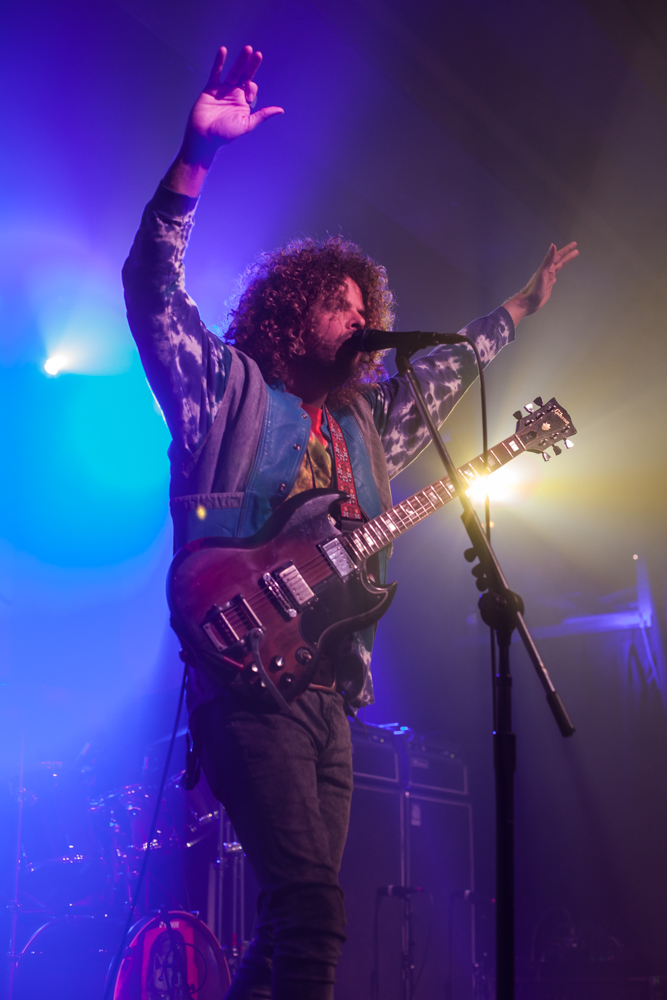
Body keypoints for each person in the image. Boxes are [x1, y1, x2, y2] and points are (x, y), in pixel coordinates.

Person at [123, 44, 578, 1000]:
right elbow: (154, 298)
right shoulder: (229, 390)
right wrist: (196, 157)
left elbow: (447, 373)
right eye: (335, 299)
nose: (356, 312)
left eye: (363, 301)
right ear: (291, 312)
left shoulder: (371, 429)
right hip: (243, 680)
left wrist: (518, 310)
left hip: (329, 690)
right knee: (315, 918)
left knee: (299, 921)